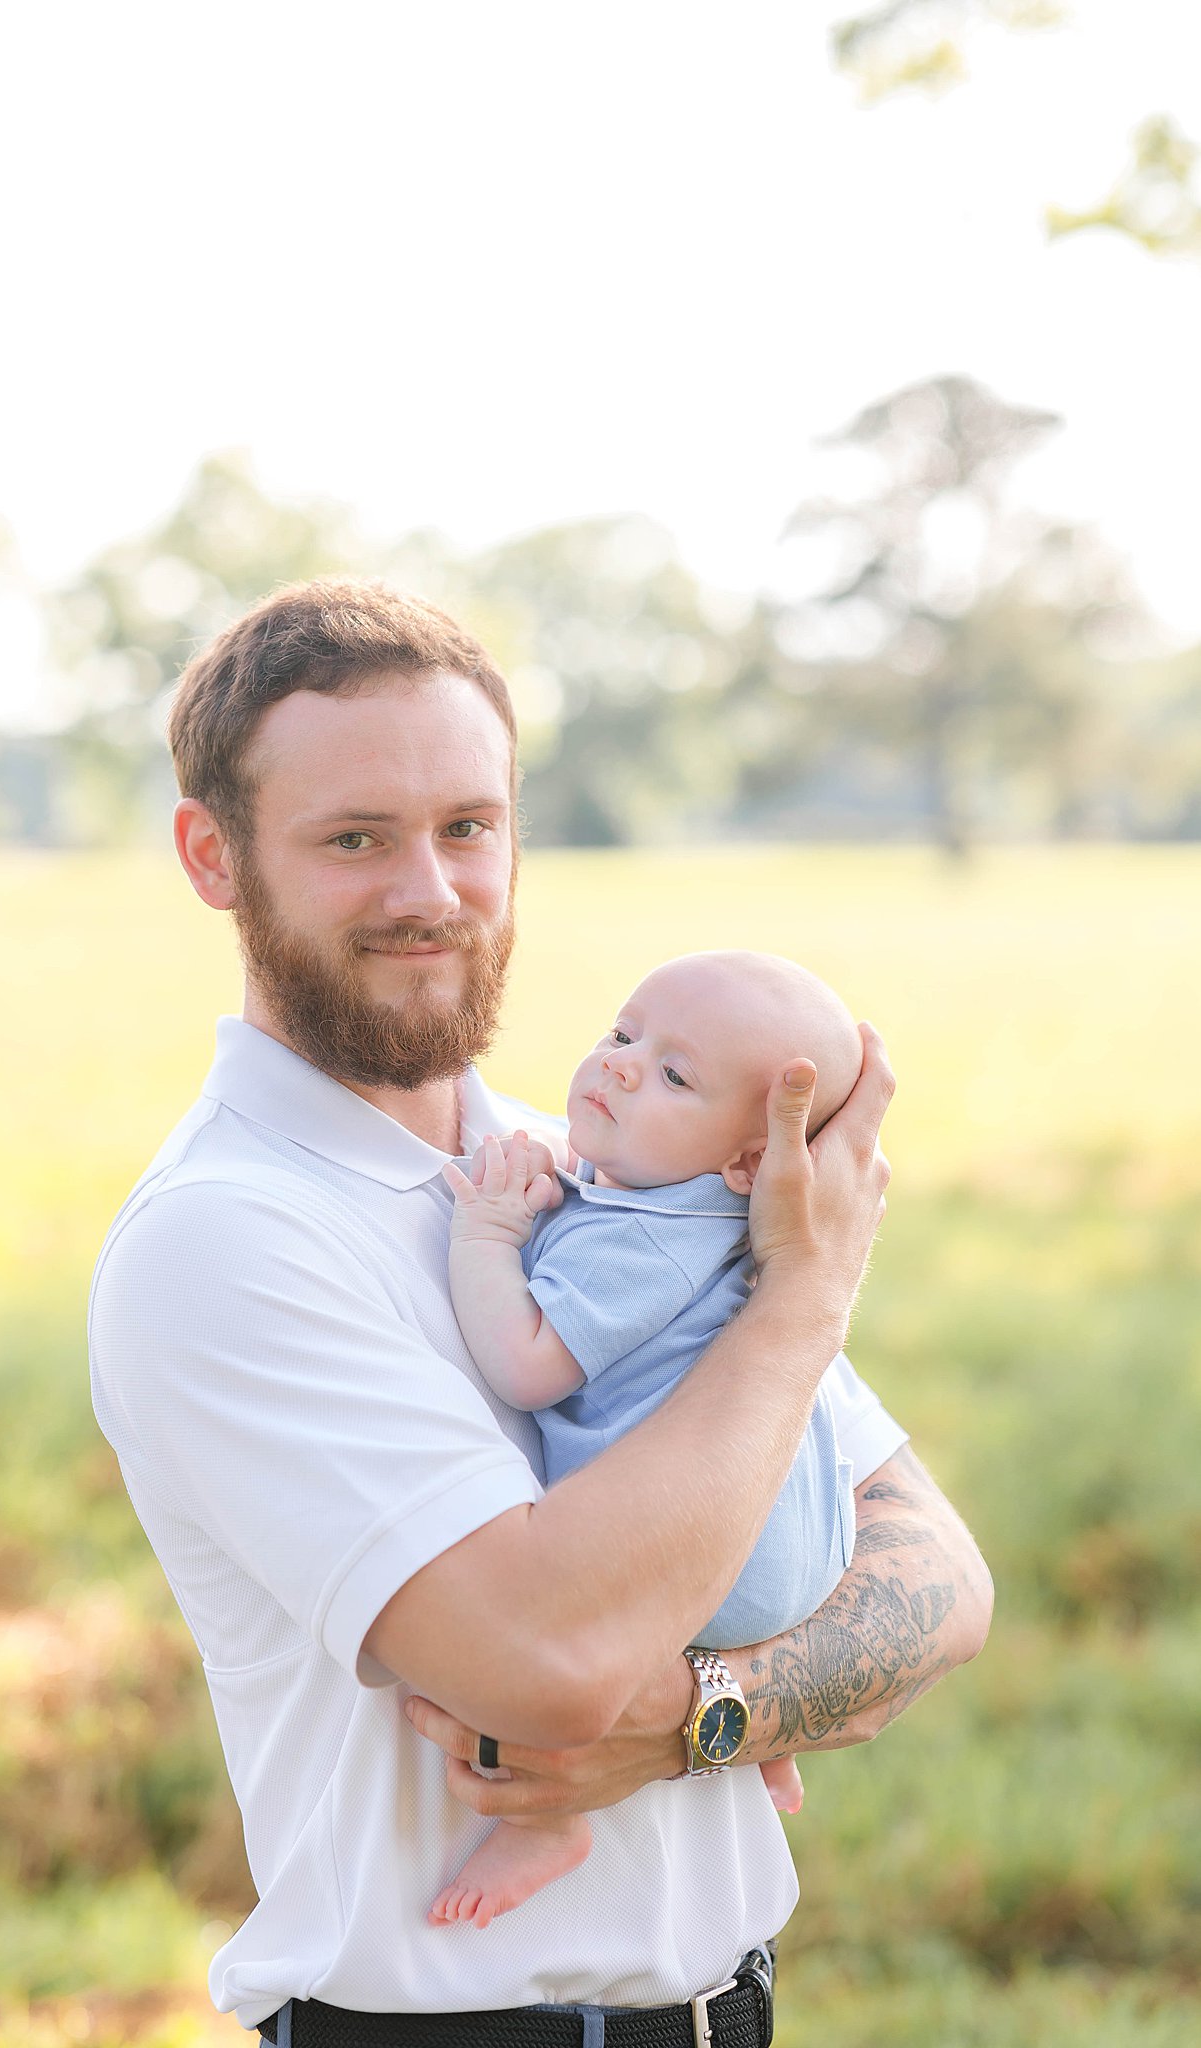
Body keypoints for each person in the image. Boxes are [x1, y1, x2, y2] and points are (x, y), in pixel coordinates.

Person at [88, 578, 993, 2046]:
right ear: (213, 856)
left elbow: (942, 1579)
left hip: (730, 2012)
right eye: (354, 840)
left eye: (468, 827)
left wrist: (710, 1713)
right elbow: (548, 1668)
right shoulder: (226, 1240)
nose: (428, 891)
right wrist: (801, 1299)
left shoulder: (611, 1170)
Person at [429, 949, 865, 1930]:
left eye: (673, 1074)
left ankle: (551, 1822)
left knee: (526, 1615)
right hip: (793, 1540)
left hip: (726, 1562)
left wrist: (489, 1233)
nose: (620, 1065)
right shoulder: (693, 1209)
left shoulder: (647, 1237)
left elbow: (529, 1361)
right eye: (623, 1035)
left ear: (749, 1159)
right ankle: (766, 1736)